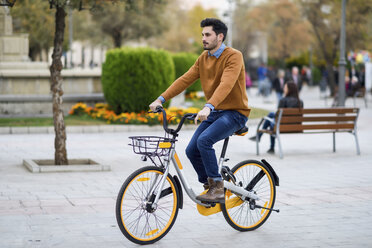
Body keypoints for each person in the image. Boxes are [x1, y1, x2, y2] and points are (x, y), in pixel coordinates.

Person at [149, 18, 249, 203]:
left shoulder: (233, 56)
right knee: (191, 150)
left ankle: (217, 188)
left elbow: (226, 84)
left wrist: (208, 106)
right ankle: (209, 186)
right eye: (202, 34)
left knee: (204, 141)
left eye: (207, 34)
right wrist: (160, 99)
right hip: (216, 112)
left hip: (235, 113)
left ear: (220, 36)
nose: (203, 38)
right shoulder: (204, 58)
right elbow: (184, 80)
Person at [249, 82, 303, 154]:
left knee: (271, 121)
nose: (284, 89)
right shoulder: (300, 102)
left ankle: (263, 140)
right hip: (296, 126)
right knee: (271, 115)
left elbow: (278, 116)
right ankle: (261, 138)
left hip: (281, 126)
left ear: (289, 90)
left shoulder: (283, 100)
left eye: (285, 87)